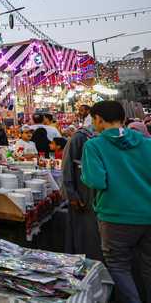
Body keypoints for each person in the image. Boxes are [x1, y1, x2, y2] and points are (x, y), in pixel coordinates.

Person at [81, 101, 151, 303]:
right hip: (148, 214)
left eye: (93, 120)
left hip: (115, 217)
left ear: (99, 120)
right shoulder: (147, 143)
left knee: (119, 266)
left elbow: (95, 181)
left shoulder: (94, 145)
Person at [61, 122, 102, 261]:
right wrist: (71, 193)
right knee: (85, 235)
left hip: (101, 199)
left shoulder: (109, 140)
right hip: (84, 196)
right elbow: (67, 167)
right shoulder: (81, 138)